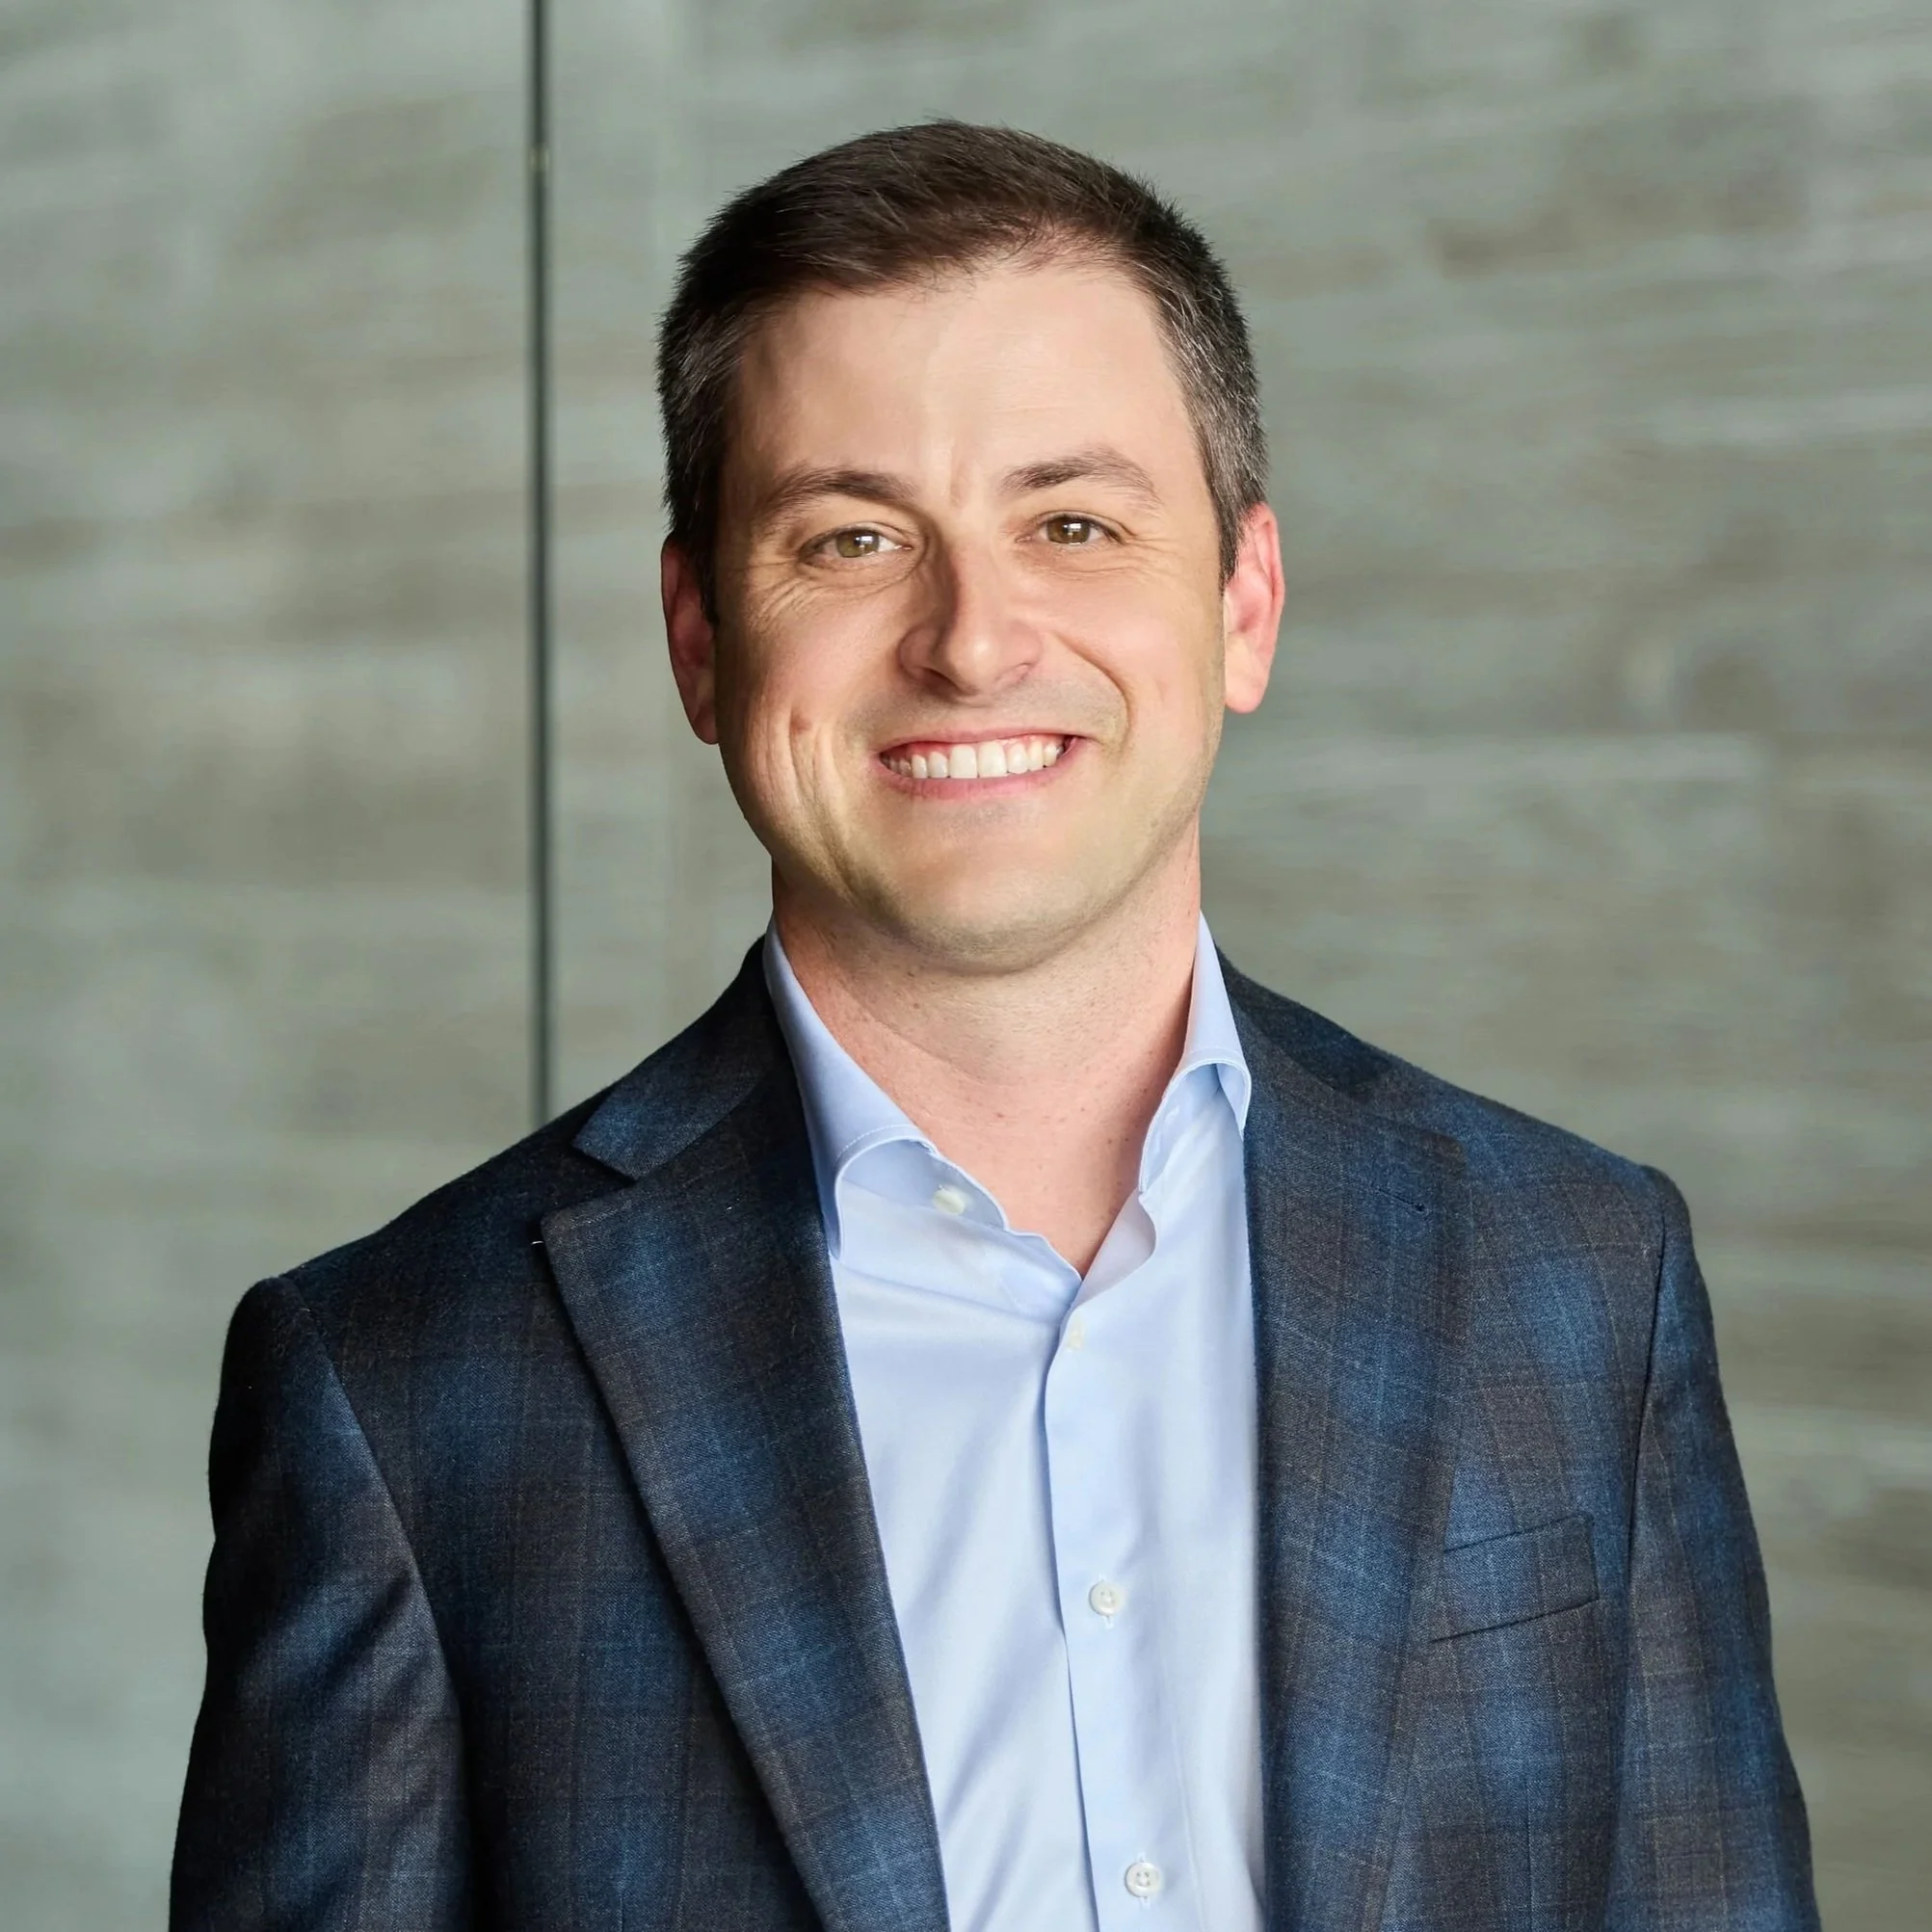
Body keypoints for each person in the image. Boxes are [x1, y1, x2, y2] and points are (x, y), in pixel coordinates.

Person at [172, 121, 1817, 1932]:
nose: (971, 641)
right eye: (853, 538)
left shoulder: (1577, 1279)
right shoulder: (402, 1386)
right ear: (702, 643)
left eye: (1075, 523)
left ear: (1243, 604)